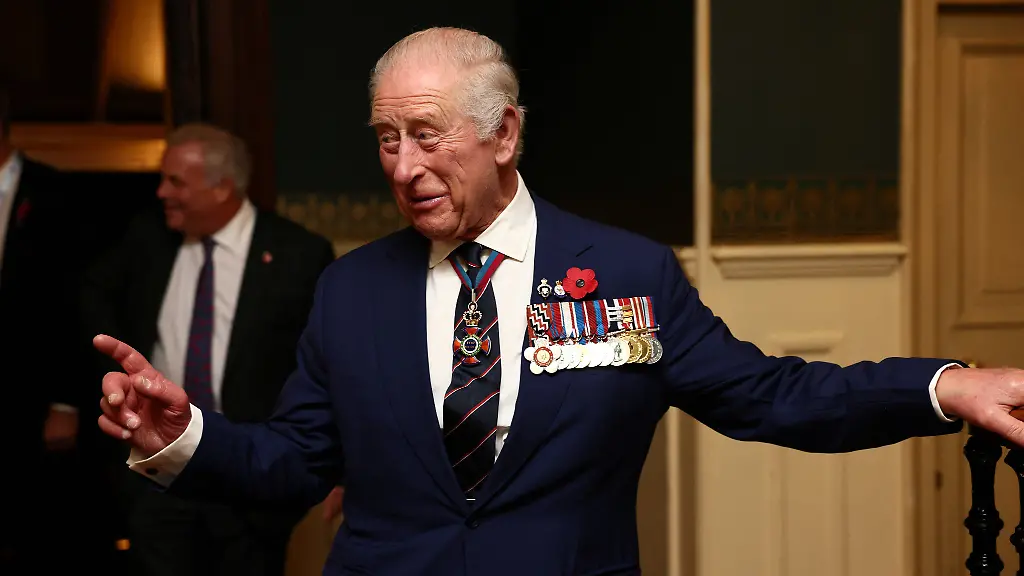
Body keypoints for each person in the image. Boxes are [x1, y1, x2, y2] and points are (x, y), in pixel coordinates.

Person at [94, 28, 1024, 575]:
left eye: (426, 134)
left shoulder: (628, 275)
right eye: (385, 139)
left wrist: (946, 385)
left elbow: (773, 396)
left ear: (504, 134)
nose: (403, 167)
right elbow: (296, 463)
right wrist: (182, 435)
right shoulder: (349, 290)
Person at [82, 123, 336, 576]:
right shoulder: (146, 240)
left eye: (176, 181)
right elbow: (89, 297)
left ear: (222, 187)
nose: (161, 192)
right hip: (159, 476)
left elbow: (325, 369)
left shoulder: (299, 254)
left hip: (249, 484)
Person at [0, 83, 100, 572]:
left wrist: (64, 402)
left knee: (34, 534)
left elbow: (74, 305)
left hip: (30, 399)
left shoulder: (55, 193)